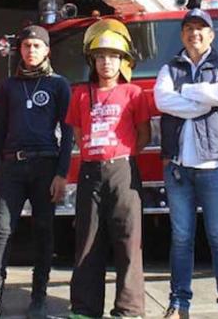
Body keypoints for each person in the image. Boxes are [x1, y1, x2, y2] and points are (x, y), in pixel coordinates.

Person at [0, 25, 72, 319]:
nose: (31, 51)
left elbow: (68, 132)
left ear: (47, 50)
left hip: (45, 165)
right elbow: (0, 128)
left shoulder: (59, 85)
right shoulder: (8, 86)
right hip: (12, 165)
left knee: (43, 230)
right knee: (2, 230)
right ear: (20, 50)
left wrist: (62, 173)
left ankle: (39, 298)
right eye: (27, 46)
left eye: (37, 46)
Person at [154, 8, 218, 319]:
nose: (195, 34)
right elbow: (163, 101)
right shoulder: (168, 69)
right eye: (189, 28)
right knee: (181, 238)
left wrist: (188, 93)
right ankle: (179, 304)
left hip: (216, 166)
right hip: (178, 167)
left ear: (211, 34)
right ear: (182, 35)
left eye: (201, 28)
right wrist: (206, 101)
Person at [66, 19, 151, 319]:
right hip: (90, 171)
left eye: (113, 57)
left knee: (128, 241)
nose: (106, 62)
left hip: (123, 171)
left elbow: (144, 134)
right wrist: (96, 153)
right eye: (100, 56)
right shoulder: (79, 94)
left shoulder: (134, 94)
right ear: (92, 60)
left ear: (123, 61)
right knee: (88, 242)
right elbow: (77, 134)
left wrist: (121, 154)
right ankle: (84, 309)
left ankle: (128, 310)